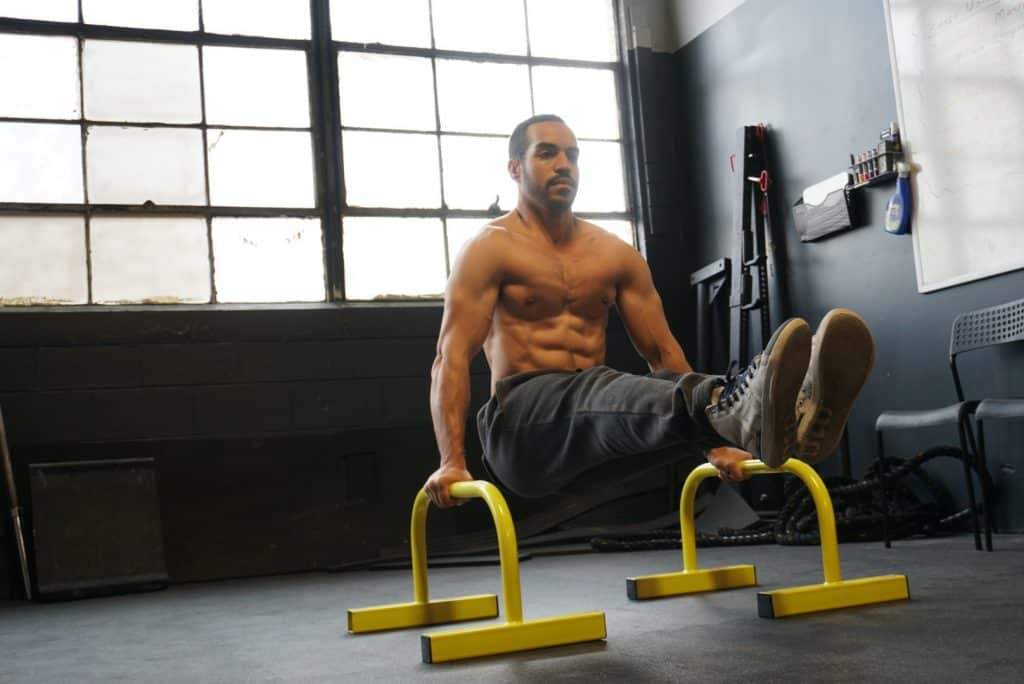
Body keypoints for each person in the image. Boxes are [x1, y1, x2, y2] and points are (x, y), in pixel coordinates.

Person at [422, 114, 874, 509]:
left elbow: (663, 353)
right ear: (515, 168)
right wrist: (451, 463)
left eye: (573, 155)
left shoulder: (615, 255)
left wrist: (714, 446)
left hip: (595, 446)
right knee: (598, 385)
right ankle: (739, 401)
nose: (564, 165)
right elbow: (451, 358)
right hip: (522, 434)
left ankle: (773, 422)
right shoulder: (489, 249)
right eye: (547, 153)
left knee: (636, 392)